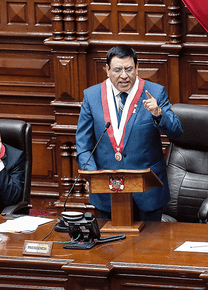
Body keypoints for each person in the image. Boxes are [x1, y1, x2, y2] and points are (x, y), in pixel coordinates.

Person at [76, 45, 183, 221]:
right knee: (109, 246)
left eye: (129, 69)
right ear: (107, 70)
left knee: (150, 246)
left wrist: (158, 114)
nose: (124, 75)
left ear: (137, 68)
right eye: (117, 70)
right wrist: (93, 178)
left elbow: (177, 131)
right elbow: (83, 146)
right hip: (106, 193)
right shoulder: (92, 96)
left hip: (148, 192)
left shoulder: (154, 92)